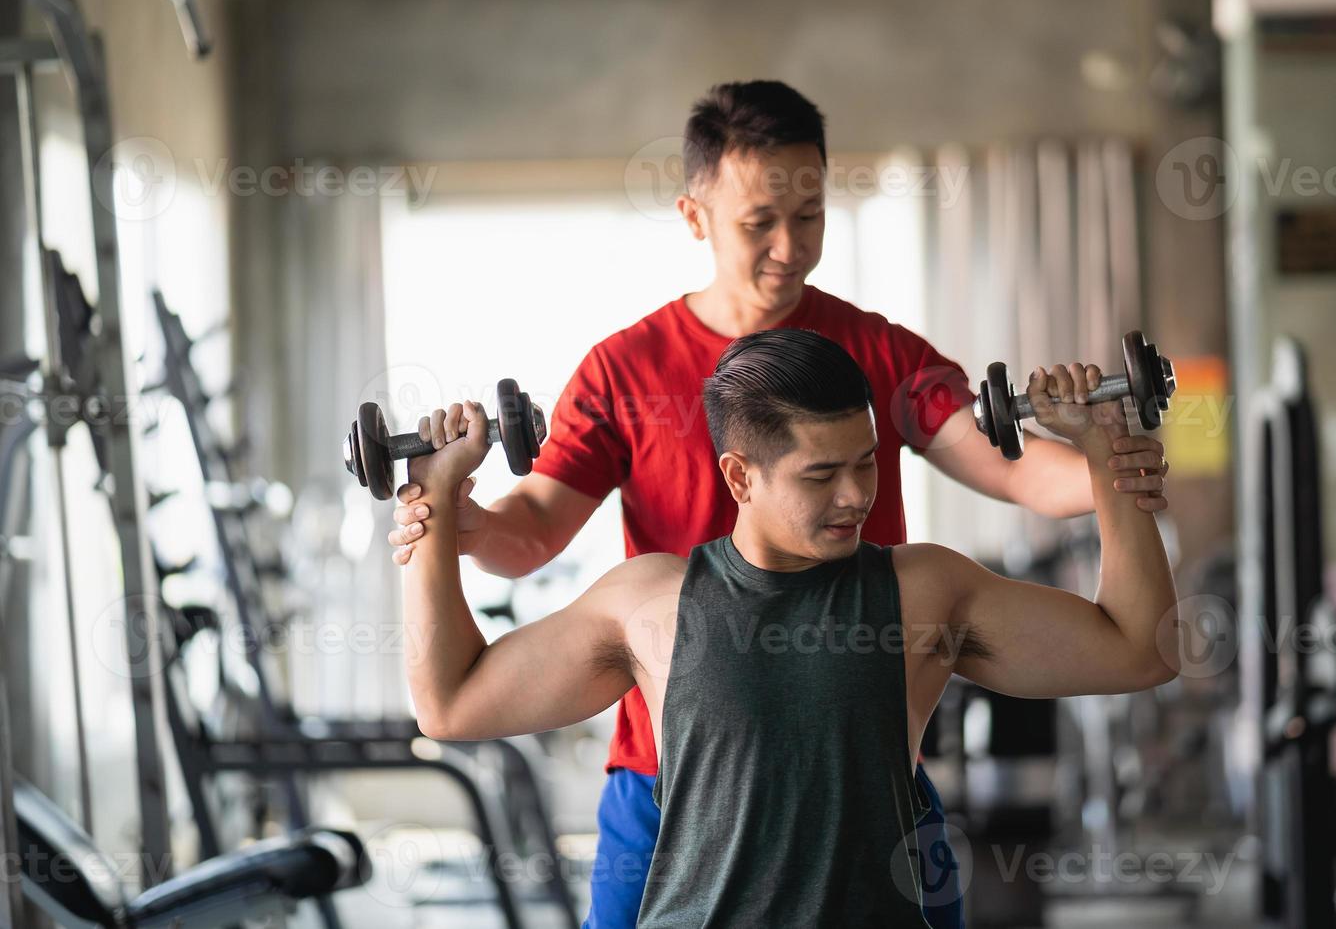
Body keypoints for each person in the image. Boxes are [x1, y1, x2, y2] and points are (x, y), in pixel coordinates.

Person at [389, 80, 1170, 928]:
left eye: (811, 216)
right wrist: (444, 519)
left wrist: (1108, 464)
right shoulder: (625, 376)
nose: (790, 247)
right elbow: (528, 536)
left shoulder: (879, 357)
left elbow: (1017, 474)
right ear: (696, 218)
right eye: (759, 222)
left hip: (858, 744)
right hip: (668, 767)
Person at [400, 329, 1180, 928]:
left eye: (867, 463)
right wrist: (431, 510)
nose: (855, 497)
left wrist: (1109, 458)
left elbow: (1139, 649)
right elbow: (452, 703)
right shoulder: (649, 605)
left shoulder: (923, 591)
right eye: (820, 474)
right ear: (740, 475)